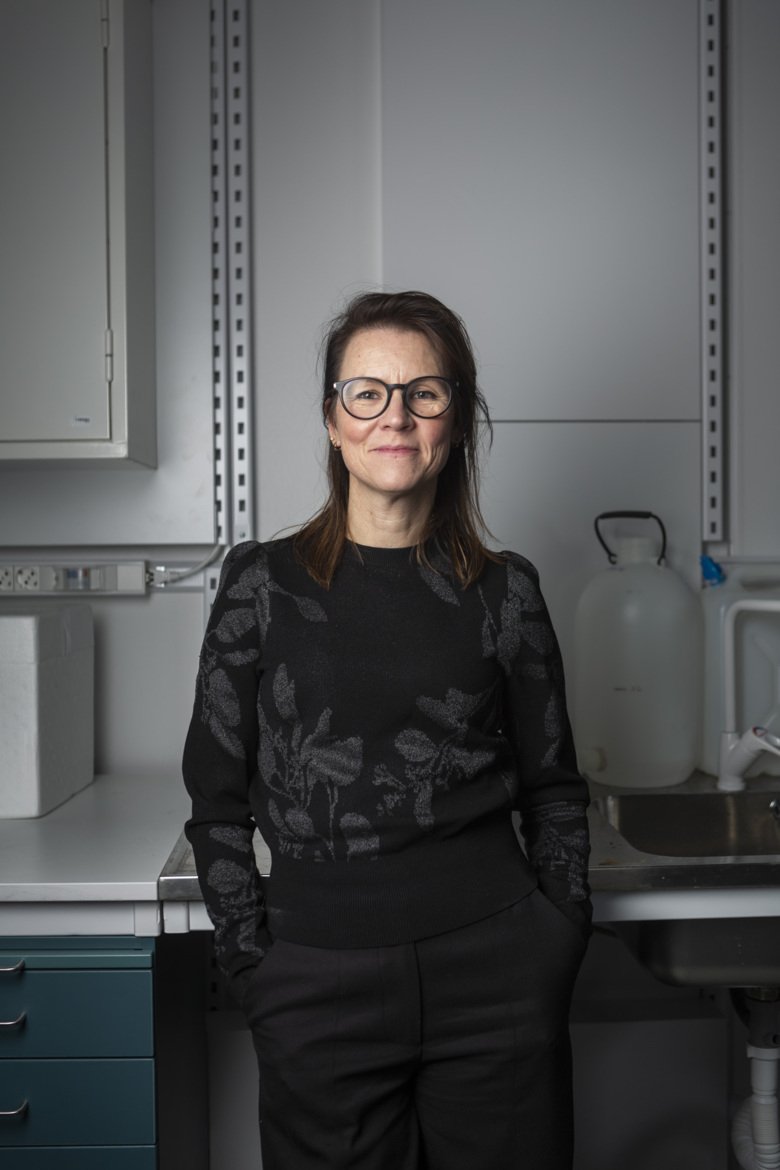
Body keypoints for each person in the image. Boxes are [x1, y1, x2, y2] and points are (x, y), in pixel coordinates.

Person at [182, 289, 592, 1170]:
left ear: (457, 421)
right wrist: (256, 965)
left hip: (500, 974)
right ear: (333, 421)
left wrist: (557, 935)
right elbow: (216, 803)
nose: (394, 416)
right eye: (366, 392)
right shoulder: (260, 586)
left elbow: (555, 787)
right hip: (314, 980)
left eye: (424, 393)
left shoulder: (506, 592)